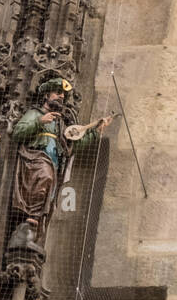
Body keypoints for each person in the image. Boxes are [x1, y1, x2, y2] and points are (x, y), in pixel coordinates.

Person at [8, 78, 114, 250]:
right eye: (57, 93)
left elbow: (72, 144)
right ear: (46, 95)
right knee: (45, 177)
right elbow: (18, 133)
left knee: (48, 194)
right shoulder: (35, 114)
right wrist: (40, 121)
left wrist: (95, 132)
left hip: (54, 163)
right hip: (35, 160)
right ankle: (27, 226)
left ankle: (32, 230)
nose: (61, 96)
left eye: (63, 94)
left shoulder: (60, 124)